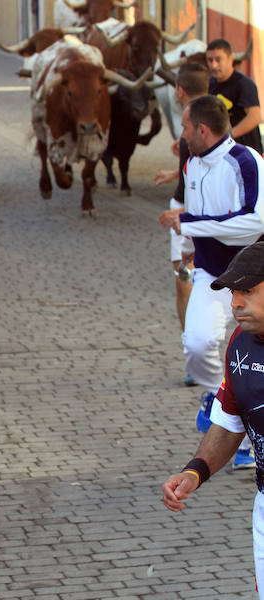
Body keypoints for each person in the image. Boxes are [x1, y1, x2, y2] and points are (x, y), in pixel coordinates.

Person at [159, 94, 264, 468]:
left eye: (185, 127)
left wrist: (190, 224)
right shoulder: (190, 165)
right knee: (197, 343)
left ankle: (248, 441)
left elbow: (256, 220)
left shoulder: (246, 161)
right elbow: (195, 213)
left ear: (202, 129)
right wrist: (184, 244)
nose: (182, 134)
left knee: (253, 359)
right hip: (208, 271)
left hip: (252, 279)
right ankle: (216, 397)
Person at [161, 238, 264, 600]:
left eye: (248, 291)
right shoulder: (239, 343)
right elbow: (228, 423)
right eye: (233, 292)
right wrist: (195, 471)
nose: (235, 303)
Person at [152, 63, 208, 386]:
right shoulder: (210, 116)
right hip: (191, 207)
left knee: (184, 279)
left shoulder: (192, 120)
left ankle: (194, 357)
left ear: (179, 90)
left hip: (187, 210)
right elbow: (196, 164)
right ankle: (197, 355)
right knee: (189, 275)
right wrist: (176, 171)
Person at [207, 38, 263, 155]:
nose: (214, 65)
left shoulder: (244, 84)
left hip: (247, 152)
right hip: (222, 152)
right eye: (210, 60)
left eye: (218, 59)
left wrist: (228, 135)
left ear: (230, 59)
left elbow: (255, 117)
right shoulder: (209, 84)